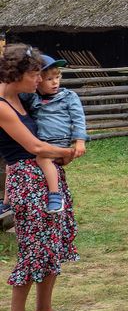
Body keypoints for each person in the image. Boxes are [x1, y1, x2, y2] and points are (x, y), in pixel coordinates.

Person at [1, 44, 79, 311]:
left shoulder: (23, 99)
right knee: (33, 247)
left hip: (47, 176)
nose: (40, 79)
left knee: (53, 243)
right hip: (27, 181)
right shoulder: (1, 105)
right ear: (18, 73)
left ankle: (44, 310)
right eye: (35, 73)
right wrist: (66, 151)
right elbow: (32, 147)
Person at [18, 55, 87, 213]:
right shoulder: (33, 97)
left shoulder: (68, 97)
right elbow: (16, 93)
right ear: (38, 80)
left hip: (59, 139)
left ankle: (55, 195)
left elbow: (78, 119)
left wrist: (80, 141)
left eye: (57, 77)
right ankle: (8, 201)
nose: (55, 82)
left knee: (43, 159)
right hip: (41, 140)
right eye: (49, 79)